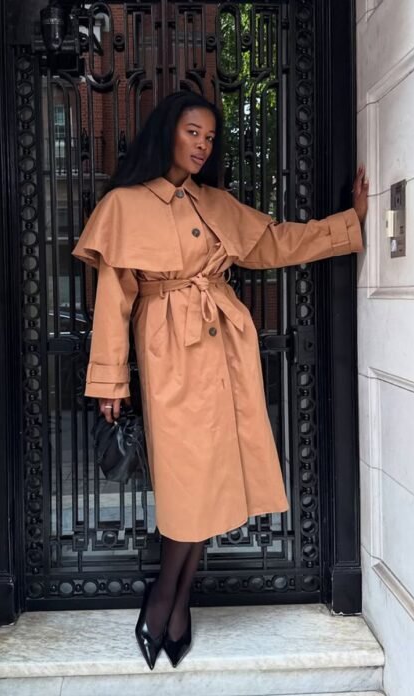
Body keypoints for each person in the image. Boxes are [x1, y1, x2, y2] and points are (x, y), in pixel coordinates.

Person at [71, 91, 369, 670]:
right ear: (168, 132)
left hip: (226, 351)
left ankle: (175, 603)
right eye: (192, 132)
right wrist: (110, 379)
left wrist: (348, 223)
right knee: (187, 482)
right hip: (169, 353)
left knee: (209, 481)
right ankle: (165, 597)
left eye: (209, 137)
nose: (202, 145)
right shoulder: (125, 205)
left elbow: (275, 243)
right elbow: (114, 298)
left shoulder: (216, 203)